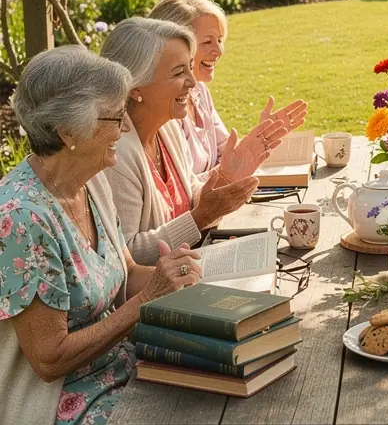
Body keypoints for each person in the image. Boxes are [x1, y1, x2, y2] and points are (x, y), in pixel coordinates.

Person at [0, 47, 299, 425]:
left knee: (243, 403)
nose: (123, 128)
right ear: (66, 131)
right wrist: (146, 305)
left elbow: (124, 274)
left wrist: (163, 274)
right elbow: (49, 359)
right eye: (112, 117)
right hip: (57, 407)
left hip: (114, 363)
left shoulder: (84, 182)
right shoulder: (20, 217)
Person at [148, 0, 363, 425]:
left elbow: (220, 159)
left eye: (221, 41)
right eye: (205, 43)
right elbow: (176, 214)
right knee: (284, 316)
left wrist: (244, 159)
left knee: (292, 302)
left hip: (201, 242)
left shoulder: (193, 99)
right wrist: (210, 201)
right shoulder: (152, 123)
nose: (215, 52)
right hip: (182, 261)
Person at [101, 17, 280, 263]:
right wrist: (201, 217)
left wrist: (225, 176)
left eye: (190, 67)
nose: (193, 82)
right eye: (178, 72)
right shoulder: (116, 154)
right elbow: (127, 255)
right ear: (136, 88)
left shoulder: (168, 128)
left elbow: (188, 194)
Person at [147, 0, 307, 178]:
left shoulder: (199, 91)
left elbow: (226, 156)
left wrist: (261, 136)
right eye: (207, 42)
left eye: (220, 40)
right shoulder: (165, 108)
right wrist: (234, 168)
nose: (219, 51)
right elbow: (181, 192)